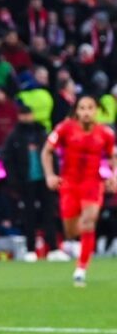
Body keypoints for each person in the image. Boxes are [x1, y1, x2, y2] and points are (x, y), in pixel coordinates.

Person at [41, 96, 117, 287]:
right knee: (71, 230)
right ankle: (75, 247)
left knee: (88, 221)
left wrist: (114, 176)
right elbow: (46, 151)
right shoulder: (64, 128)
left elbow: (113, 156)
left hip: (92, 183)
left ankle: (81, 268)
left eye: (90, 108)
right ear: (76, 111)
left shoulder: (106, 133)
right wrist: (50, 175)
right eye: (82, 108)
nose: (86, 112)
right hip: (69, 184)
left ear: (96, 111)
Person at [3, 103, 64, 262]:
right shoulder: (14, 136)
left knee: (49, 214)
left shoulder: (42, 132)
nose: (27, 118)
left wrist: (55, 175)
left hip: (45, 179)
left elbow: (53, 155)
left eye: (29, 114)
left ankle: (53, 249)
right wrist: (14, 181)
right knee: (28, 216)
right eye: (24, 115)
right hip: (26, 181)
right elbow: (7, 160)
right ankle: (30, 250)